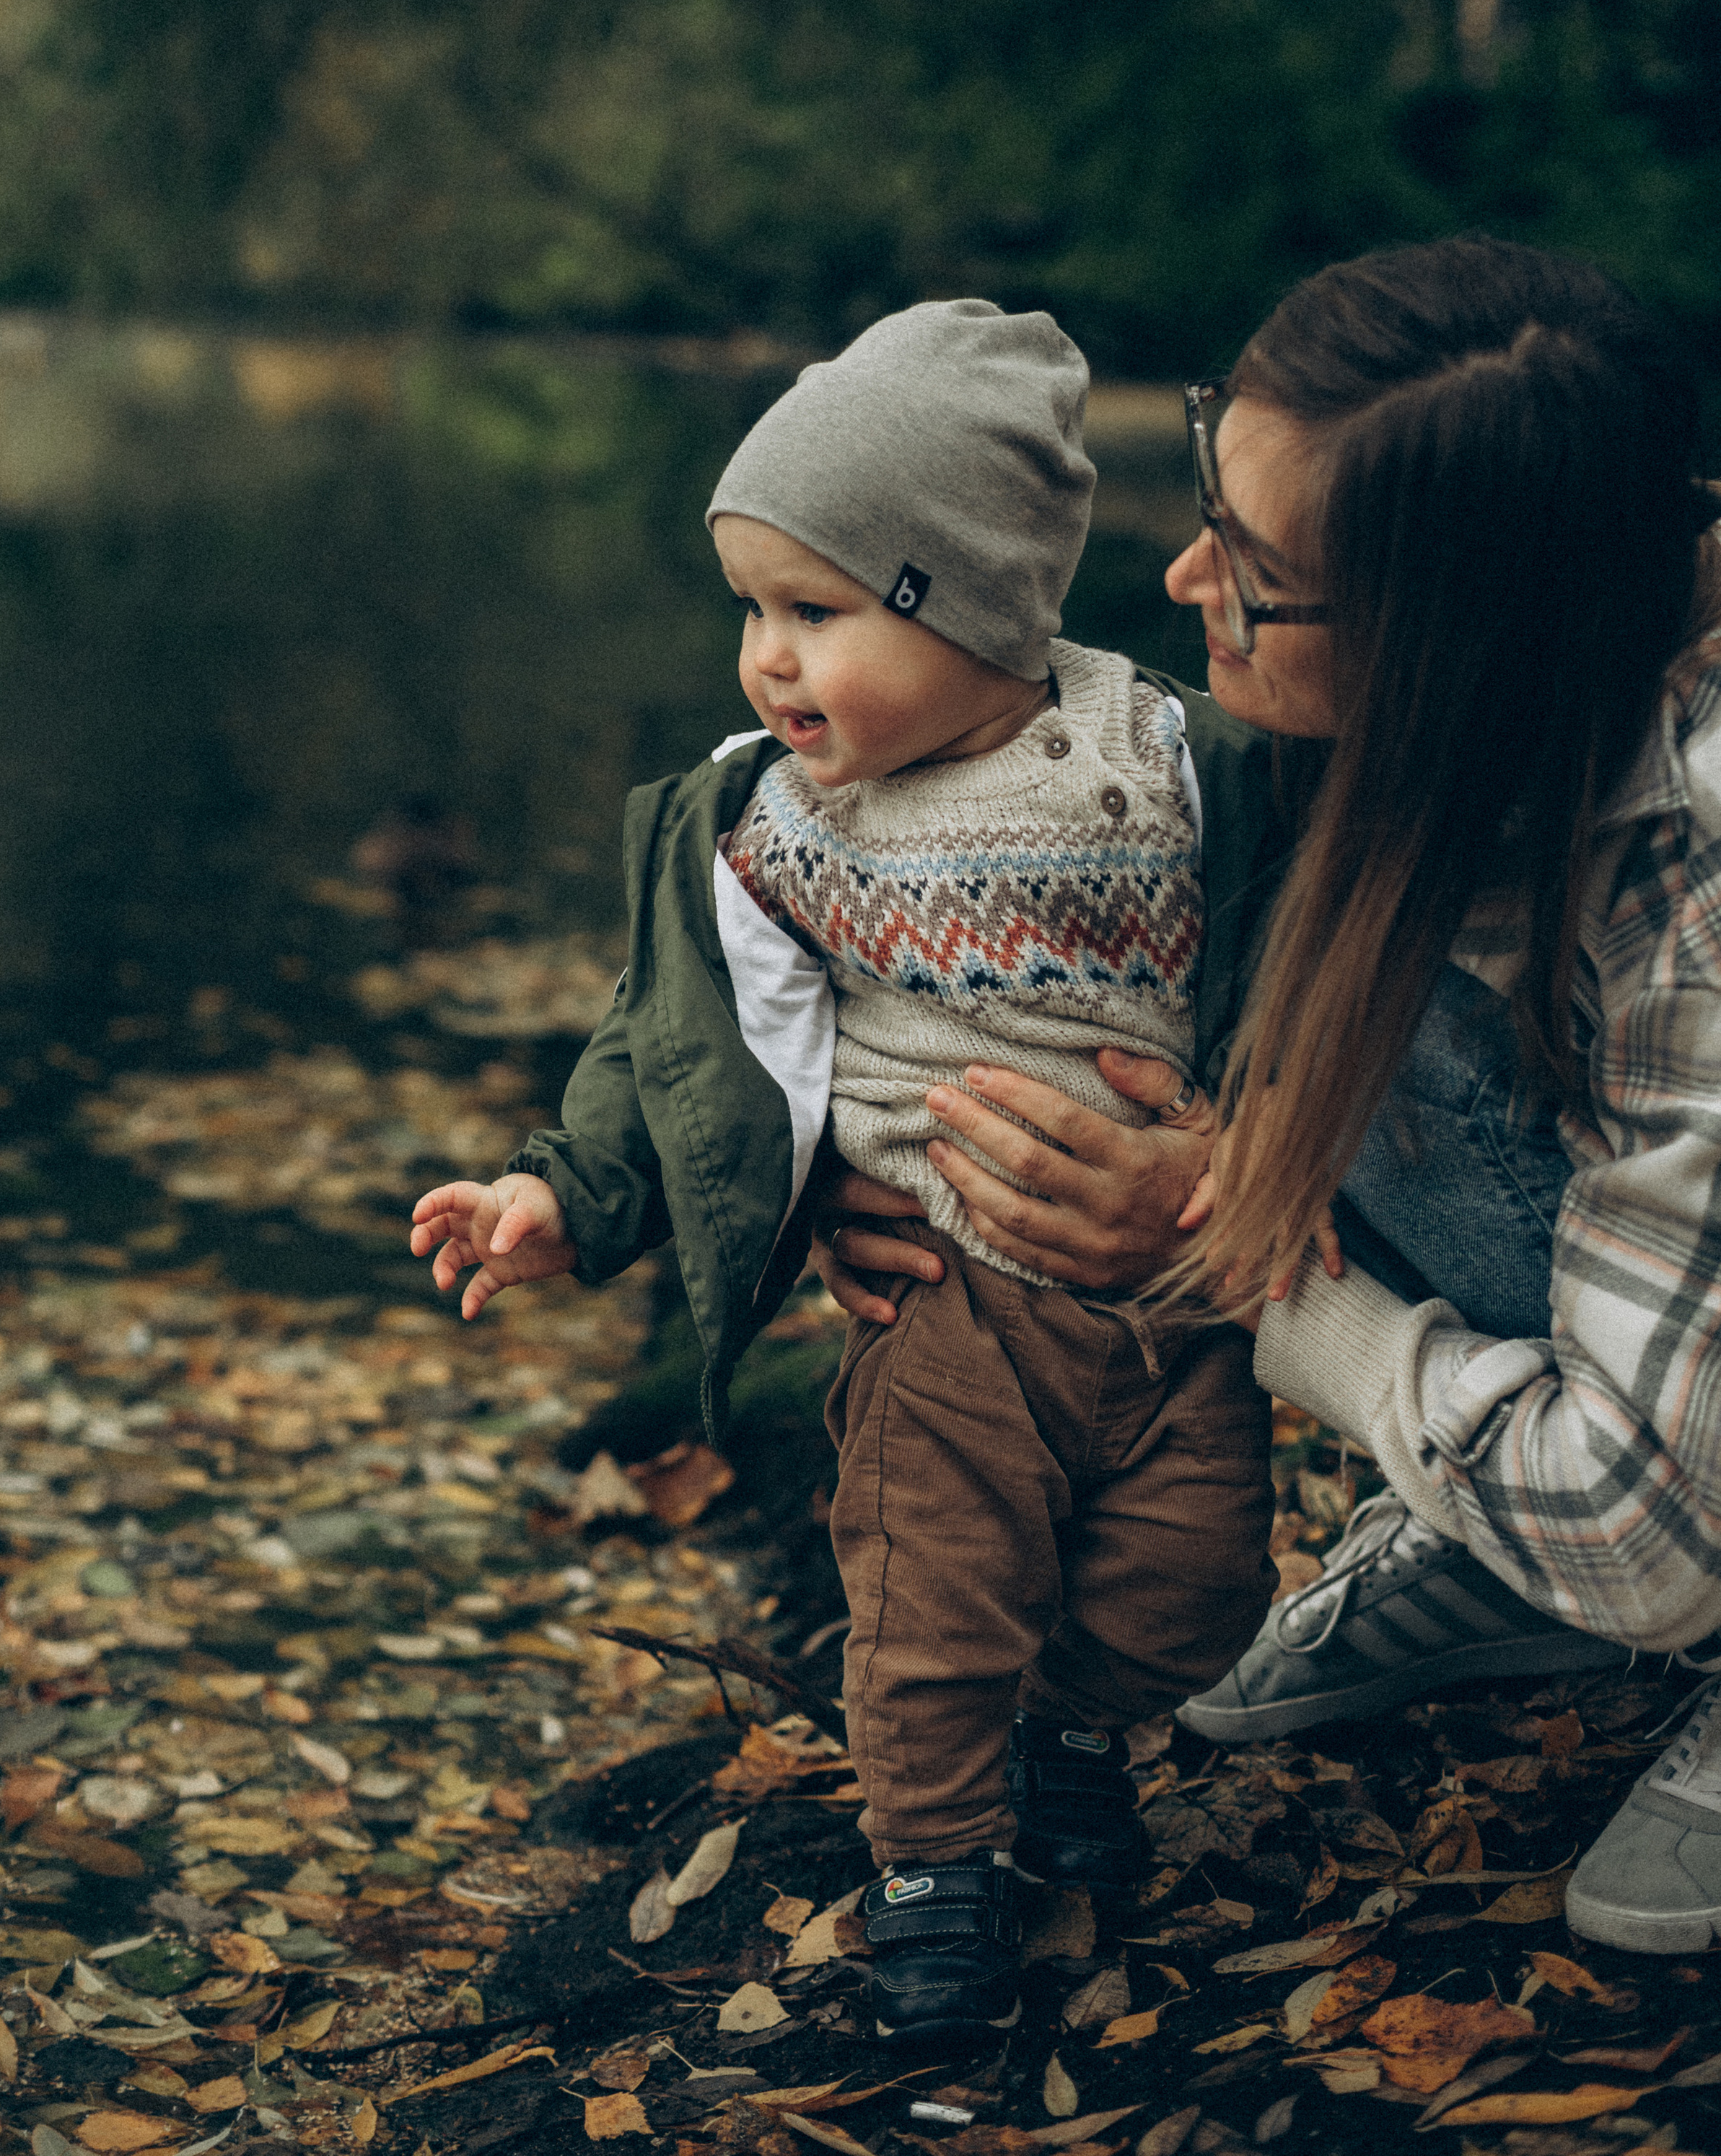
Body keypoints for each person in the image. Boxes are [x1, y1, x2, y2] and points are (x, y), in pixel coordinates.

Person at [814, 236, 1721, 1958]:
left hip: (1654, 1499)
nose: (1179, 582)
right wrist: (877, 1144)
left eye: (1252, 571)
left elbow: (1646, 1535)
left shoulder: (1696, 889)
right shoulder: (1568, 606)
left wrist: (1235, 1257)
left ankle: (1561, 1510)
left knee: (1637, 1542)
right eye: (1207, 504)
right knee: (1274, 933)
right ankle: (1499, 1519)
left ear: (1453, 639)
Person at [409, 298, 1293, 2038]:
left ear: (967, 603)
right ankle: (934, 1867)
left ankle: (1069, 1729)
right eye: (750, 610)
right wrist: (565, 1195)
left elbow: (1297, 952)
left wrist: (1270, 1144)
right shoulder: (780, 823)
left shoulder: (1170, 760)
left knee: (1195, 1587)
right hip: (940, 1301)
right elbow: (671, 1036)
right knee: (926, 1610)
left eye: (813, 614)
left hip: (1172, 1304)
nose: (765, 660)